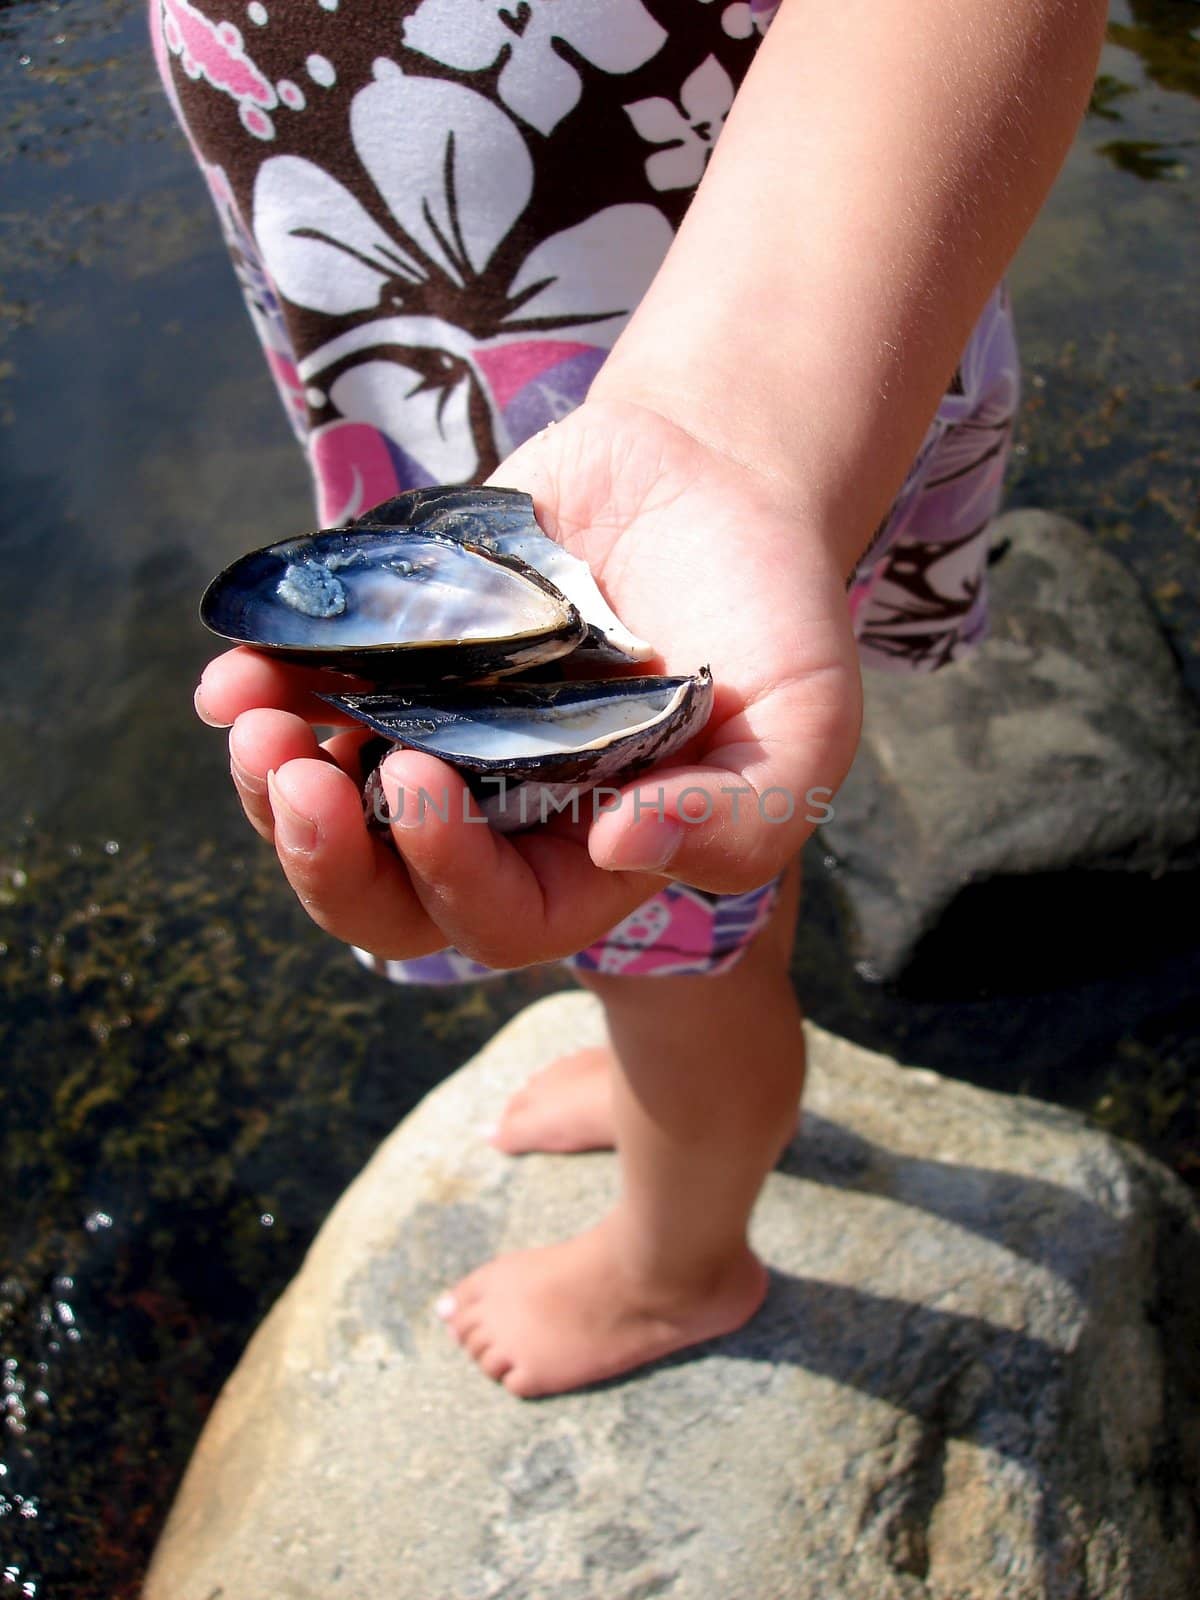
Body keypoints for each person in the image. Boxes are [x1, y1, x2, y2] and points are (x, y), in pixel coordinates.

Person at [160, 0, 1106, 1396]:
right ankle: (676, 1059)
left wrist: (737, 435)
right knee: (685, 922)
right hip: (459, 374)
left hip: (770, 375)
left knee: (675, 933)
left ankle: (681, 1264)